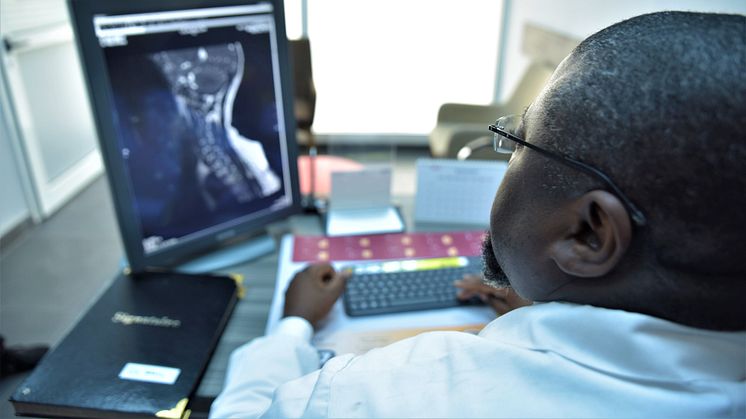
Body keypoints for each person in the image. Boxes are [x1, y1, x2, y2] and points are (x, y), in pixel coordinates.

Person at [210, 11, 746, 418]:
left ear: (588, 234)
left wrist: (292, 326)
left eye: (518, 142)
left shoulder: (372, 396)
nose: (507, 159)